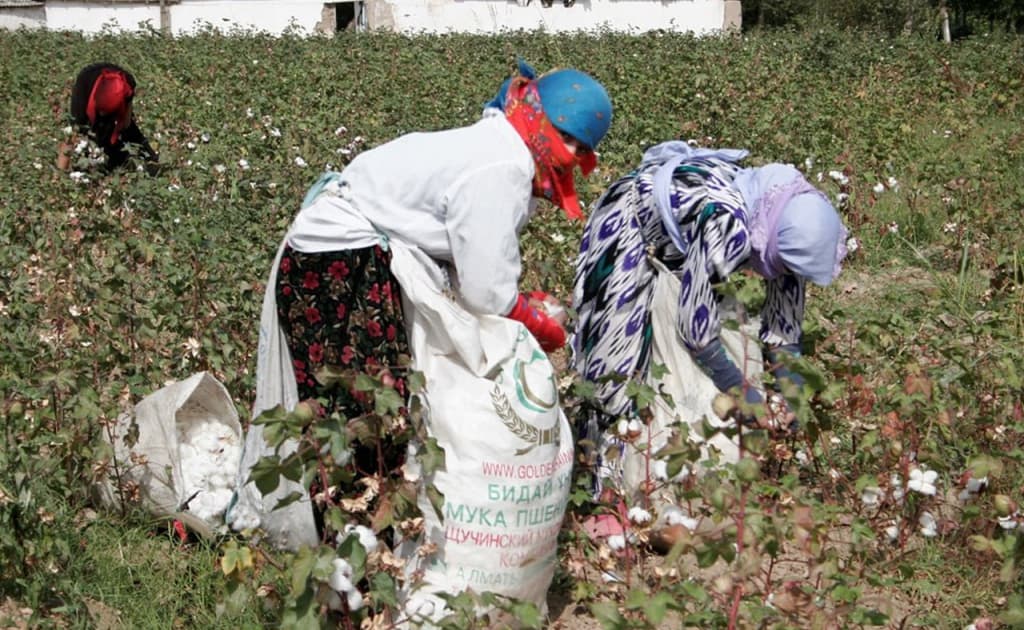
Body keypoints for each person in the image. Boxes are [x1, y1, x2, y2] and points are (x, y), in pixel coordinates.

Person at [572, 141, 848, 433]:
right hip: (629, 218)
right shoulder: (729, 223)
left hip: (686, 236)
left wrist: (793, 400)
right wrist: (742, 394)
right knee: (611, 366)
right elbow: (695, 328)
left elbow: (784, 331)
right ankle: (598, 462)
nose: (790, 274)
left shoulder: (790, 229)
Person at [65, 62, 158, 171]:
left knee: (135, 148)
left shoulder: (127, 83)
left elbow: (126, 124)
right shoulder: (83, 88)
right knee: (85, 137)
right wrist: (60, 176)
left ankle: (154, 166)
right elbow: (72, 134)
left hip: (119, 107)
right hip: (89, 88)